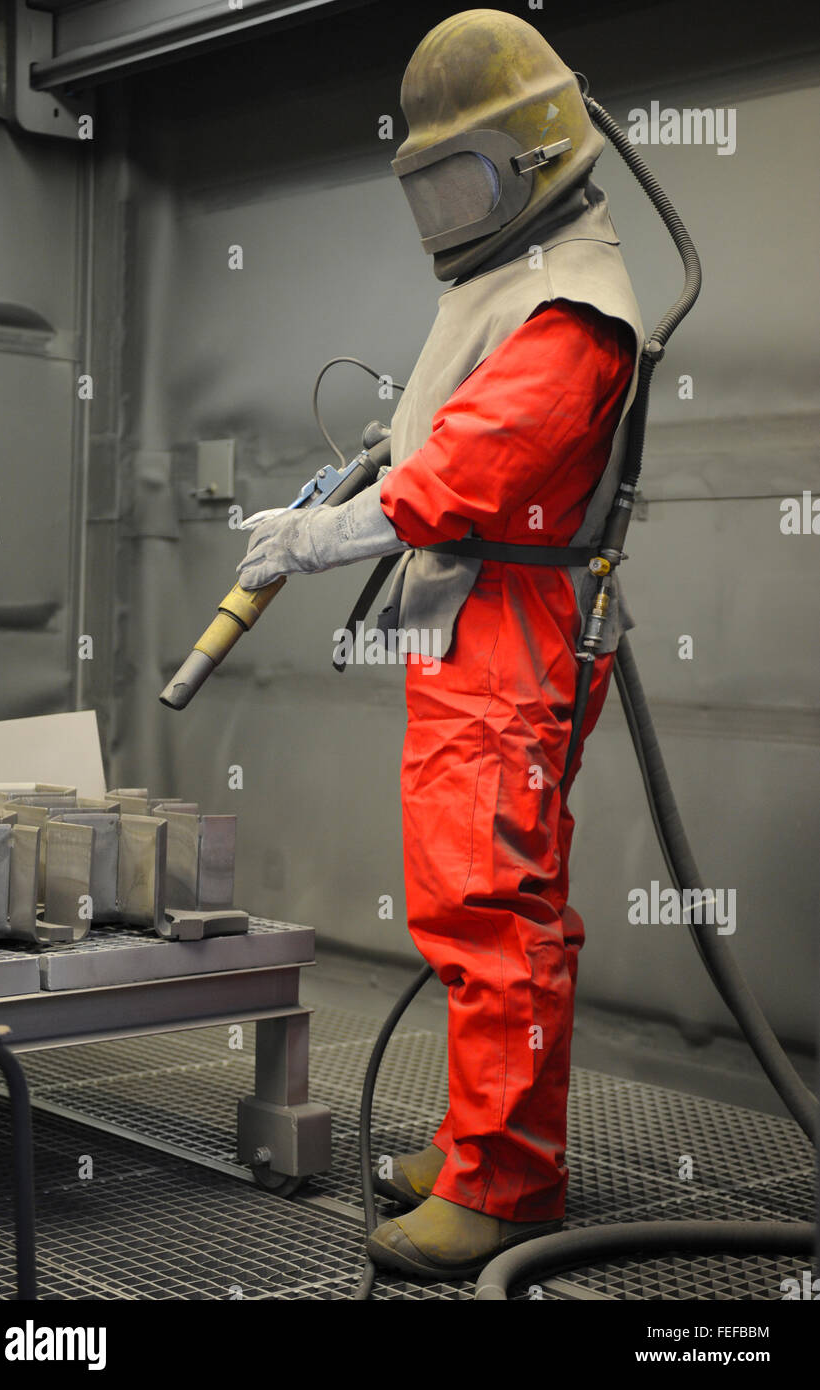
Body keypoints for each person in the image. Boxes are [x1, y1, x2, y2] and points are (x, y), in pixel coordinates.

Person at [236, 9, 644, 1280]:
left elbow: (469, 470)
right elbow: (442, 440)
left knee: (490, 910)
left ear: (538, 155)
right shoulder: (511, 281)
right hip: (481, 631)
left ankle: (506, 1191)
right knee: (484, 904)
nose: (447, 214)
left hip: (512, 636)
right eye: (428, 187)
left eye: (462, 180)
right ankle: (484, 1146)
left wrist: (320, 539)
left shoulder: (572, 304)